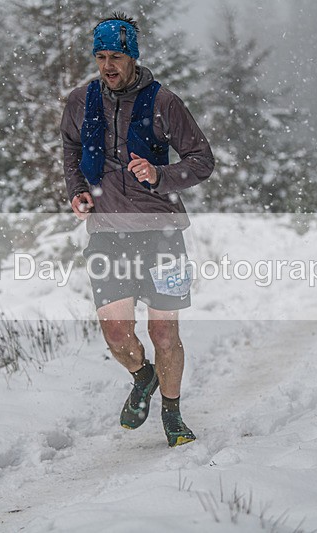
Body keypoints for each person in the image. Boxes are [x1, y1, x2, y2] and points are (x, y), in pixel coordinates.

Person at [60, 12, 214, 447]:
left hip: (162, 233)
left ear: (133, 57)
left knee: (164, 332)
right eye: (100, 56)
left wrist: (160, 175)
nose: (108, 66)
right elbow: (70, 148)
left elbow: (202, 160)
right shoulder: (80, 101)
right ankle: (142, 377)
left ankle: (172, 413)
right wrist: (77, 191)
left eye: (116, 57)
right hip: (107, 232)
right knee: (116, 333)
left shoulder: (164, 102)